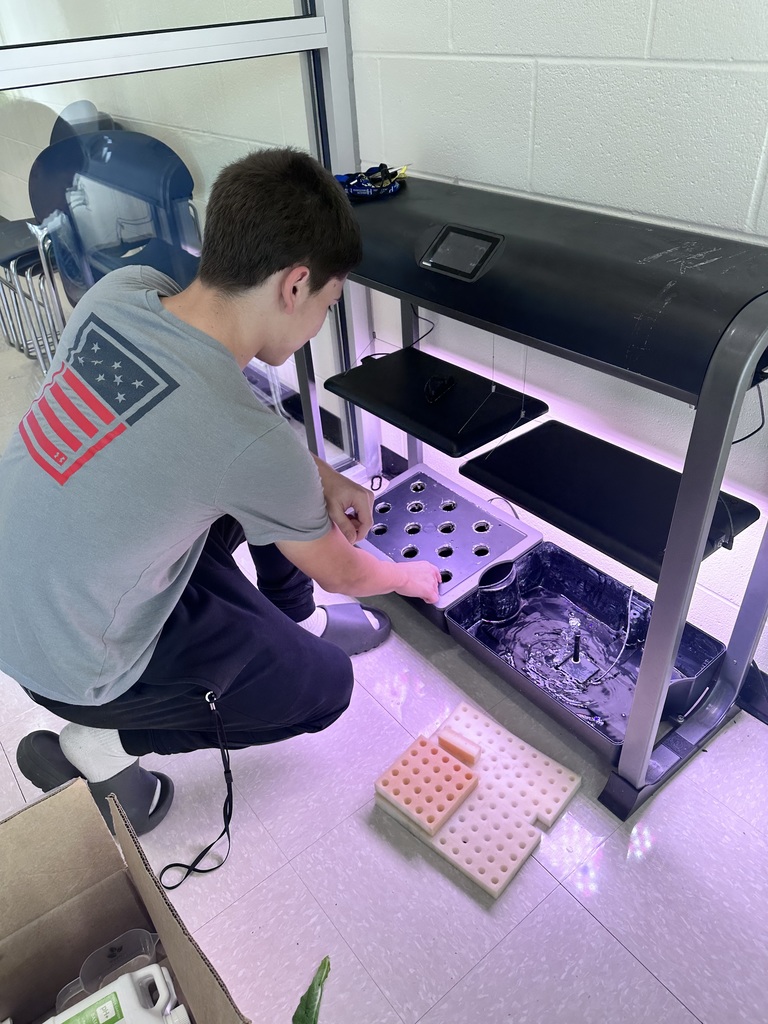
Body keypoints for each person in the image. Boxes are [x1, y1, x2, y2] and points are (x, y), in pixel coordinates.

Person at [0, 147, 440, 838]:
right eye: (328, 303)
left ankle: (297, 617)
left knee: (257, 482)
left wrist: (316, 477)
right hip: (76, 663)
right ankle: (99, 748)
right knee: (325, 689)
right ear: (295, 286)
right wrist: (414, 578)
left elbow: (206, 423)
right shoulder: (243, 442)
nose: (322, 320)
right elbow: (346, 569)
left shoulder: (125, 292)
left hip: (21, 595)